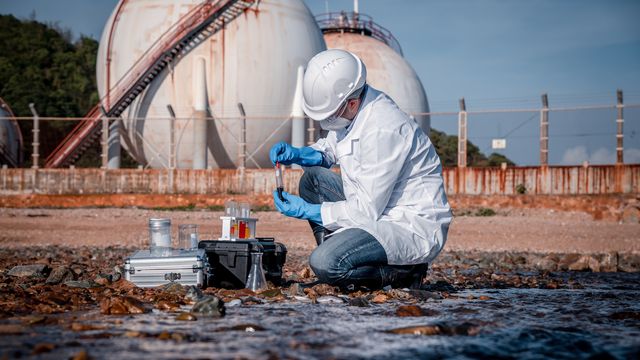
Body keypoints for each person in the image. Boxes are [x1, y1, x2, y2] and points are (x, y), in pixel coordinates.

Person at [270, 49, 452, 290]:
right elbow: (332, 147)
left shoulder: (383, 129)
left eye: (329, 116)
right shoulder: (353, 108)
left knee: (324, 262)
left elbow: (366, 211)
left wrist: (308, 211)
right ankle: (343, 258)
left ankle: (404, 273)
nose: (326, 123)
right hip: (377, 208)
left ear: (352, 103)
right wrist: (302, 154)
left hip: (408, 226)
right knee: (313, 179)